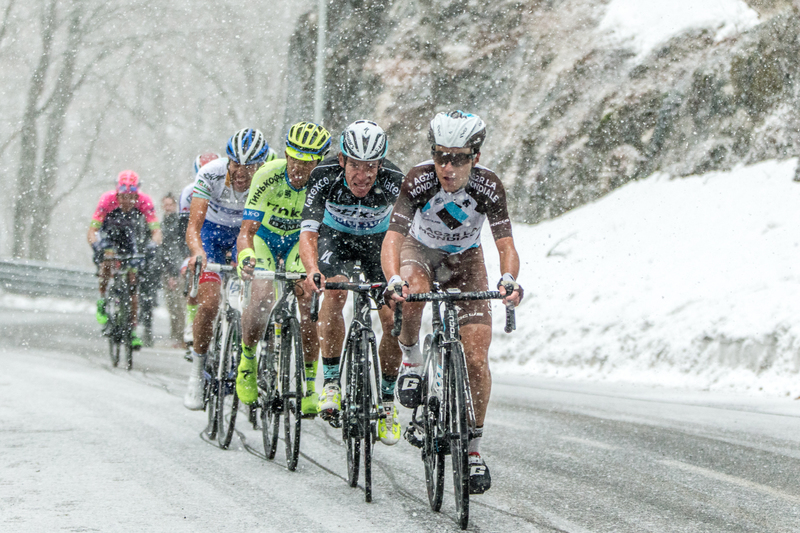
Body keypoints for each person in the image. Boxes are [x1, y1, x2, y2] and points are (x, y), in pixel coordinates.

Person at [382, 111, 524, 494]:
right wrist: (393, 278)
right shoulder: (419, 179)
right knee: (411, 291)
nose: (447, 166)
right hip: (420, 251)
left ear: (475, 157)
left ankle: (474, 451)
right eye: (440, 155)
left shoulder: (489, 186)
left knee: (477, 356)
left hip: (466, 260)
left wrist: (508, 279)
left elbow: (506, 246)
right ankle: (411, 359)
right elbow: (394, 238)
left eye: (458, 157)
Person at [299, 120, 405, 445]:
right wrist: (312, 269)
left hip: (378, 245)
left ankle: (387, 403)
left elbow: (409, 238)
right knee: (335, 292)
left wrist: (403, 277)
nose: (362, 175)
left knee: (392, 319)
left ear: (381, 164)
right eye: (355, 165)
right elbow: (308, 232)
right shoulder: (323, 175)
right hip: (337, 240)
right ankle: (331, 382)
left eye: (370, 167)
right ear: (342, 160)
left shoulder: (395, 182)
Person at [235, 122, 331, 416]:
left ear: (319, 161)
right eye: (292, 157)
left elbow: (321, 234)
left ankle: (310, 385)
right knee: (262, 295)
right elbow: (246, 231)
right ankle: (248, 360)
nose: (297, 167)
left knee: (306, 298)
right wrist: (246, 256)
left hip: (297, 243)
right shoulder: (267, 175)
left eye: (306, 162)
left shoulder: (325, 182)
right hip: (264, 238)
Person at [183, 129, 272, 410]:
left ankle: (249, 357)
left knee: (256, 298)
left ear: (261, 165)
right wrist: (198, 253)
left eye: (249, 167)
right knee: (208, 304)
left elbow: (270, 225)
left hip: (246, 235)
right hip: (210, 233)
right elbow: (194, 227)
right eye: (235, 164)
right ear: (228, 160)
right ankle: (197, 372)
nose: (241, 173)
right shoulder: (210, 173)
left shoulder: (269, 176)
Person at [88, 170, 163, 349]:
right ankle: (102, 299)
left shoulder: (145, 201)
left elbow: (157, 232)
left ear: (137, 194)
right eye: (122, 197)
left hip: (129, 238)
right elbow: (92, 231)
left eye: (131, 197)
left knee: (132, 283)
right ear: (117, 193)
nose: (126, 202)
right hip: (109, 234)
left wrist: (153, 246)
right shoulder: (107, 200)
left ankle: (132, 329)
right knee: (107, 260)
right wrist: (97, 247)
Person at [179, 153, 221, 348]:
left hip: (220, 238)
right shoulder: (188, 193)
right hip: (197, 239)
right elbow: (183, 228)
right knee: (194, 269)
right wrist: (190, 253)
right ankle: (191, 319)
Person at [158, 193, 186, 347]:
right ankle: (175, 336)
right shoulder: (163, 223)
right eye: (165, 205)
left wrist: (174, 273)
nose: (167, 208)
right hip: (167, 269)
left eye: (170, 205)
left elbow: (176, 249)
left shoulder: (177, 224)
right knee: (171, 304)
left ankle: (181, 337)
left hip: (177, 269)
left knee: (179, 304)